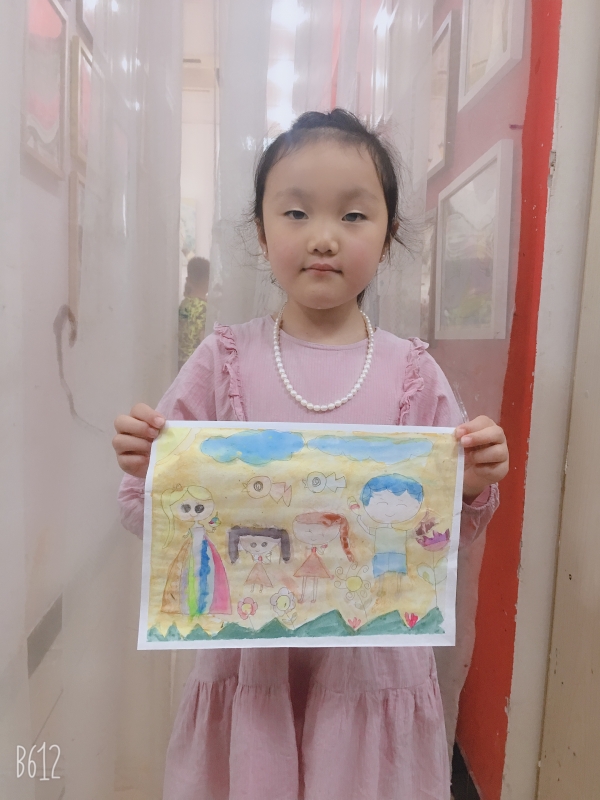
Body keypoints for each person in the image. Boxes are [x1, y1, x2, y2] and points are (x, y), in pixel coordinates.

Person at [113, 109, 508, 800]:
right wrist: (150, 467)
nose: (324, 236)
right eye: (296, 212)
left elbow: (444, 534)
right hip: (253, 660)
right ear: (262, 231)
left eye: (354, 216)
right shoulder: (222, 361)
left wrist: (470, 482)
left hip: (370, 666)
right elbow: (149, 512)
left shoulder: (413, 372)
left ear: (388, 236)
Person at [178, 256, 210, 368]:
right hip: (195, 365)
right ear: (208, 280)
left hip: (180, 363)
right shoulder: (204, 308)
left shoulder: (184, 304)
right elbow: (204, 340)